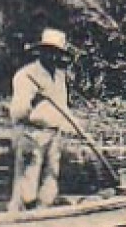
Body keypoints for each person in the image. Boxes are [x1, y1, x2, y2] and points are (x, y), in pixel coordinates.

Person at [8, 27, 78, 212]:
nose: (52, 57)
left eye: (56, 53)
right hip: (32, 134)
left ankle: (45, 212)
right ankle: (22, 215)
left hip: (54, 134)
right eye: (49, 51)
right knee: (27, 182)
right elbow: (18, 112)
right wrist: (34, 102)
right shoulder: (26, 75)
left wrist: (70, 124)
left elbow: (62, 107)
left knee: (51, 178)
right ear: (41, 51)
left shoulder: (60, 76)